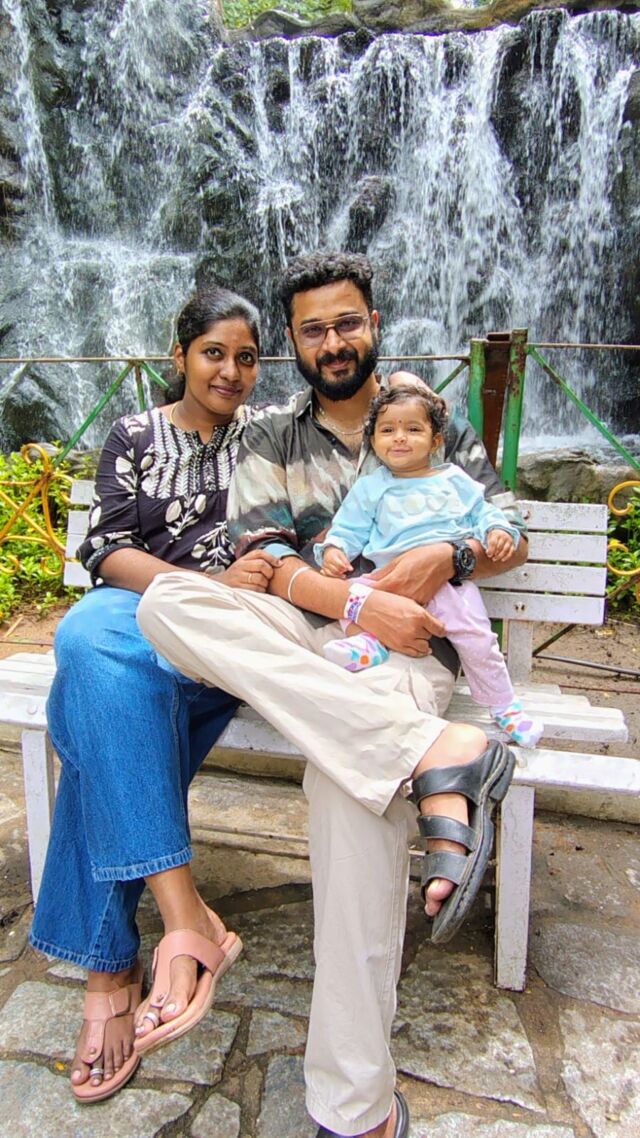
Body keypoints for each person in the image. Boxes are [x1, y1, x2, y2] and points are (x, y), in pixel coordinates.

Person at [137, 252, 527, 1138]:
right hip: (307, 633)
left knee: (350, 783)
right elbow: (263, 558)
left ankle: (354, 1110)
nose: (333, 342)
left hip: (408, 648)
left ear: (374, 325)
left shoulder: (434, 420)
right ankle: (428, 751)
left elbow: (510, 529)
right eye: (313, 330)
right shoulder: (273, 435)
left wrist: (450, 556)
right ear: (294, 341)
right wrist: (357, 601)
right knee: (167, 603)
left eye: (347, 323)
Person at [29, 286, 281, 1103]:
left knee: (90, 702)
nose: (231, 371)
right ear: (180, 356)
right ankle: (182, 918)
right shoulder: (134, 433)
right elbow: (107, 550)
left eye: (247, 357)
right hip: (140, 614)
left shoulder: (270, 435)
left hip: (222, 640)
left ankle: (110, 971)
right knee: (91, 646)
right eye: (214, 353)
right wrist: (200, 586)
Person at [316, 380, 543, 747]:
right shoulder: (371, 487)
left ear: (436, 440)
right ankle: (369, 642)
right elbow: (347, 528)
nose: (399, 438)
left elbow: (483, 513)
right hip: (390, 582)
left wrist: (498, 530)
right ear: (373, 440)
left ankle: (504, 705)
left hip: (449, 586)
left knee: (478, 640)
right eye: (387, 430)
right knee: (350, 594)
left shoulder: (454, 480)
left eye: (413, 429)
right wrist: (334, 550)